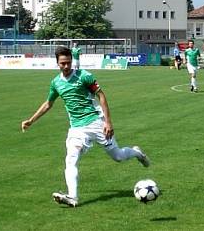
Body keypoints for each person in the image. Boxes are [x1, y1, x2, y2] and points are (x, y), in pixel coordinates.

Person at [20, 46, 150, 207]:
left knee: (118, 156)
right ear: (57, 63)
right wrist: (31, 120)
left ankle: (137, 153)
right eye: (62, 63)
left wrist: (108, 122)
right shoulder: (56, 83)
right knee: (71, 159)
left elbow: (101, 96)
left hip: (96, 122)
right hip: (77, 129)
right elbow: (48, 103)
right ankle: (73, 197)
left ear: (72, 61)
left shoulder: (84, 76)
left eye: (68, 62)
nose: (66, 66)